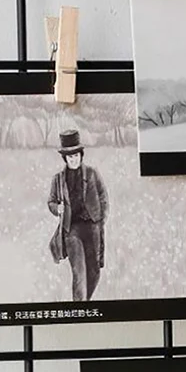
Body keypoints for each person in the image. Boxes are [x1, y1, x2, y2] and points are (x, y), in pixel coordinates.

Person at [47, 129, 109, 301]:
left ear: (81, 155)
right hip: (72, 230)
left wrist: (101, 220)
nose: (73, 159)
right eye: (70, 157)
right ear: (65, 158)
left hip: (92, 227)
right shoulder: (58, 179)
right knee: (79, 272)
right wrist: (57, 208)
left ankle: (85, 304)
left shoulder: (92, 174)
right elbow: (51, 201)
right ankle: (79, 305)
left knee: (94, 271)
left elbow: (103, 197)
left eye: (76, 155)